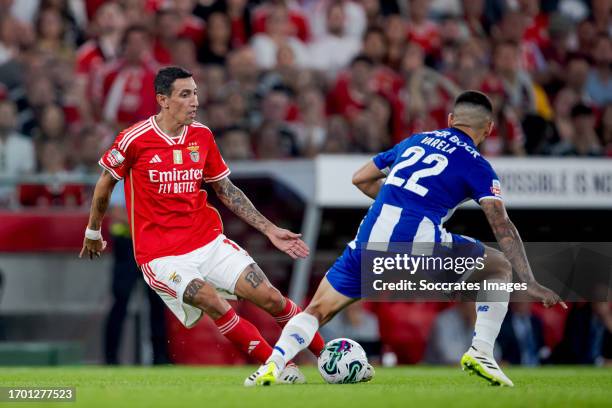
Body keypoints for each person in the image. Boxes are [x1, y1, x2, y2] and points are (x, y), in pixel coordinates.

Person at [248, 90, 567, 387]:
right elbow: (501, 224)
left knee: (315, 311)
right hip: (417, 244)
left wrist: (394, 198)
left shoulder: (415, 141)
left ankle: (273, 365)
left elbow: (360, 178)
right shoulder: (478, 166)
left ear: (451, 120)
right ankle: (482, 352)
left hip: (368, 242)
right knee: (497, 267)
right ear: (489, 129)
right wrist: (529, 280)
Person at [80, 66, 325, 384]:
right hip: (161, 256)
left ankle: (329, 357)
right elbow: (104, 182)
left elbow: (226, 189)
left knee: (271, 297)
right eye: (185, 94)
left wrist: (269, 229)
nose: (194, 100)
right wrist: (93, 230)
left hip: (207, 241)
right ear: (163, 100)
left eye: (195, 92)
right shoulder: (134, 139)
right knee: (212, 301)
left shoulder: (202, 135)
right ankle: (277, 367)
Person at [103, 180, 170, 365]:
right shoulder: (122, 180)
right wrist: (146, 223)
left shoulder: (156, 178)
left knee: (158, 303)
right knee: (120, 302)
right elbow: (116, 211)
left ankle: (160, 358)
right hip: (127, 247)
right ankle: (111, 358)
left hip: (153, 247)